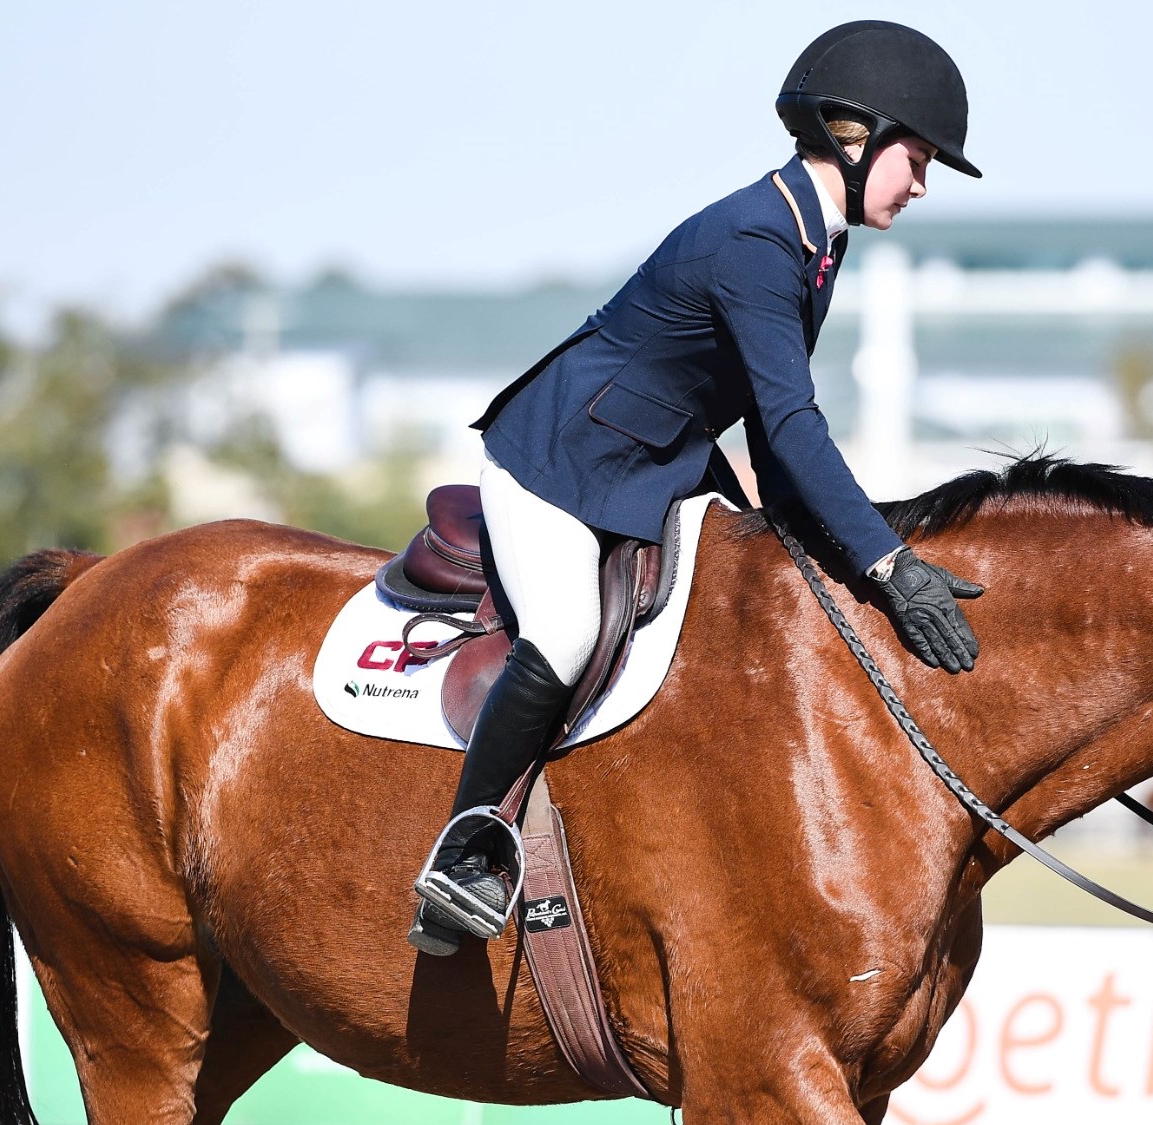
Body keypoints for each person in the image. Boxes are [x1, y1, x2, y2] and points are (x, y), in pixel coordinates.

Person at [412, 20, 988, 950]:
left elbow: (769, 430)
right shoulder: (758, 240)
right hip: (560, 461)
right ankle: (466, 850)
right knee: (564, 635)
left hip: (661, 464)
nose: (920, 184)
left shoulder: (814, 237)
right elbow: (795, 427)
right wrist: (889, 562)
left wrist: (834, 552)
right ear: (856, 138)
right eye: (916, 160)